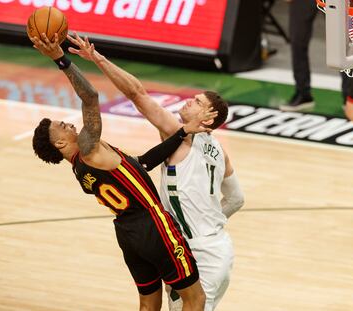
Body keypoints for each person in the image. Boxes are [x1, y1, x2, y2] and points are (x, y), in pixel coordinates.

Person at [30, 33, 221, 311]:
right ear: (60, 143)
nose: (70, 125)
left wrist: (182, 132)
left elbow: (142, 164)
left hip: (128, 233)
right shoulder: (88, 148)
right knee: (196, 299)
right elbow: (90, 97)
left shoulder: (83, 170)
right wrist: (61, 59)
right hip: (154, 226)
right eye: (63, 126)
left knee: (148, 303)